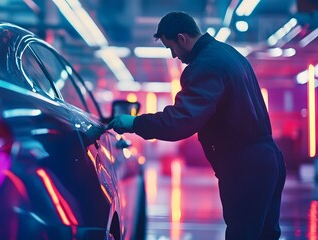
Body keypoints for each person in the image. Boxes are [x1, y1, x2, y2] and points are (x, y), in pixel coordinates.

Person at [107, 11, 286, 240]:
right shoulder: (229, 53)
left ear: (182, 38)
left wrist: (135, 123)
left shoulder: (204, 67)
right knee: (265, 235)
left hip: (245, 167)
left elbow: (181, 120)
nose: (173, 56)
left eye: (171, 47)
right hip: (269, 159)